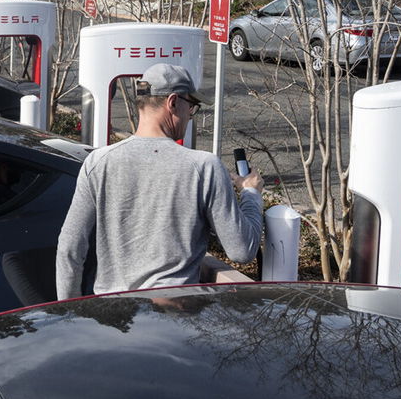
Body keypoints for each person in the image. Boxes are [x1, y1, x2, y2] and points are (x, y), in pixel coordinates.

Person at [56, 63, 264, 300]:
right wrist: (250, 194)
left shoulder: (98, 163)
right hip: (173, 318)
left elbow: (69, 248)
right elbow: (242, 250)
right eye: (191, 106)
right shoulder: (203, 166)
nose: (189, 116)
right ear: (173, 102)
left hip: (113, 319)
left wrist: (69, 314)